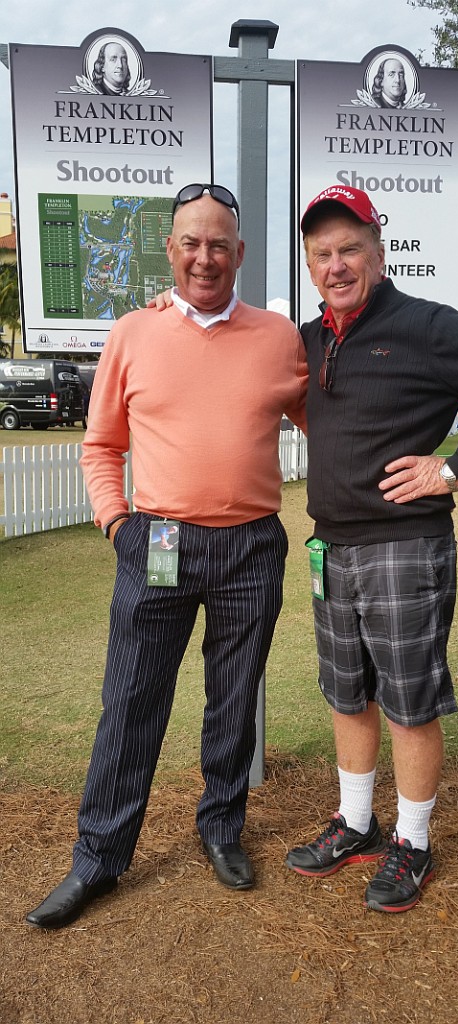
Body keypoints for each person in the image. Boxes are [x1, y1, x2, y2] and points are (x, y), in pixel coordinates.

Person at [25, 183, 308, 930]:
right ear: (170, 249)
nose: (205, 256)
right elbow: (102, 442)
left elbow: (332, 424)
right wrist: (117, 522)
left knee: (233, 695)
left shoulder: (279, 337)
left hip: (250, 546)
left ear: (239, 253)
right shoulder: (133, 333)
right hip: (157, 543)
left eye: (219, 243)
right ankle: (98, 859)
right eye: (191, 242)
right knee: (131, 699)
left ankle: (220, 828)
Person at [283, 185, 458, 914]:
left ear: (378, 251)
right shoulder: (309, 339)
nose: (336, 264)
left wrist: (453, 468)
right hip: (329, 547)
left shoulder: (425, 326)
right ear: (309, 265)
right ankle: (355, 822)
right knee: (346, 693)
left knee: (406, 703)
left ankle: (412, 839)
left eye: (349, 249)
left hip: (405, 546)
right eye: (322, 254)